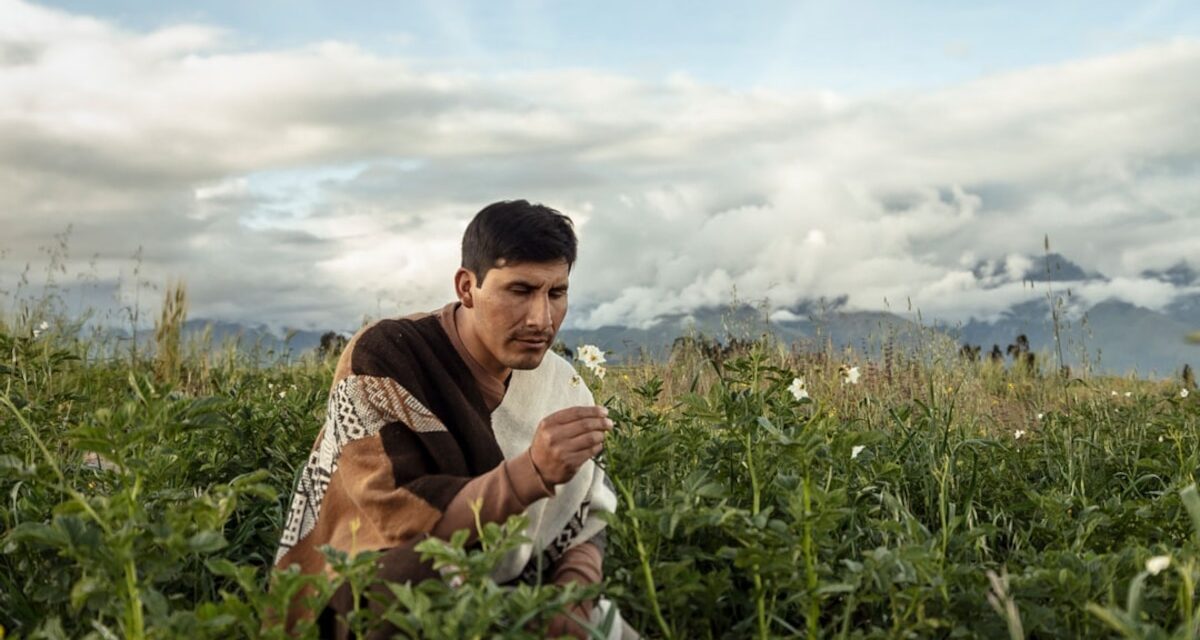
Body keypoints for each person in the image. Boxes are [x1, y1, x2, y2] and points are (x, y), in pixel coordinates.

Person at [273, 200, 634, 639]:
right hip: (372, 591)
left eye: (556, 293)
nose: (541, 319)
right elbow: (398, 517)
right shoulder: (388, 355)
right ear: (467, 287)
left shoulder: (563, 385)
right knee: (418, 592)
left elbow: (586, 507)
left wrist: (575, 587)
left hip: (514, 588)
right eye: (520, 291)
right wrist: (533, 471)